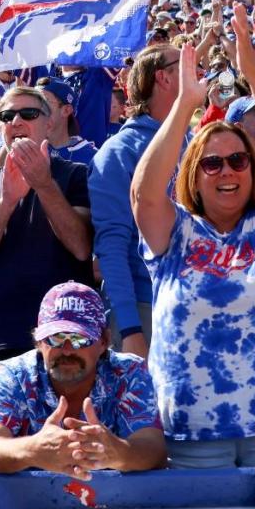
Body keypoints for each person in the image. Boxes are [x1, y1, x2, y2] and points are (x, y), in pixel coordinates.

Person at [133, 9, 255, 468]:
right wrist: (184, 106)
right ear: (193, 177)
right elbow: (142, 193)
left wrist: (254, 76)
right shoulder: (173, 233)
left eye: (238, 160)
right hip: (193, 432)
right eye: (211, 164)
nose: (227, 172)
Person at [0, 87, 93, 388]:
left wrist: (43, 185)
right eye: (6, 116)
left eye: (28, 114)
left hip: (64, 339)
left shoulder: (76, 174)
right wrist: (6, 202)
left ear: (49, 123)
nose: (16, 121)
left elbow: (82, 247)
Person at [0, 282, 166, 479]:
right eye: (56, 338)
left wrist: (117, 452)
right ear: (39, 341)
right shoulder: (13, 376)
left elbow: (154, 449)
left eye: (80, 339)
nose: (68, 349)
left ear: (103, 341)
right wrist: (32, 450)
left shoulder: (128, 372)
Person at [90, 44, 185, 359]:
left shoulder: (190, 142)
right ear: (164, 78)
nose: (195, 70)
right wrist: (130, 330)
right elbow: (112, 248)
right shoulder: (117, 153)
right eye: (183, 63)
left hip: (193, 301)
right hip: (147, 309)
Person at [36, 78, 97, 167]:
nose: (35, 109)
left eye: (44, 102)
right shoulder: (27, 148)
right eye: (34, 102)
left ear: (66, 110)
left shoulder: (92, 158)